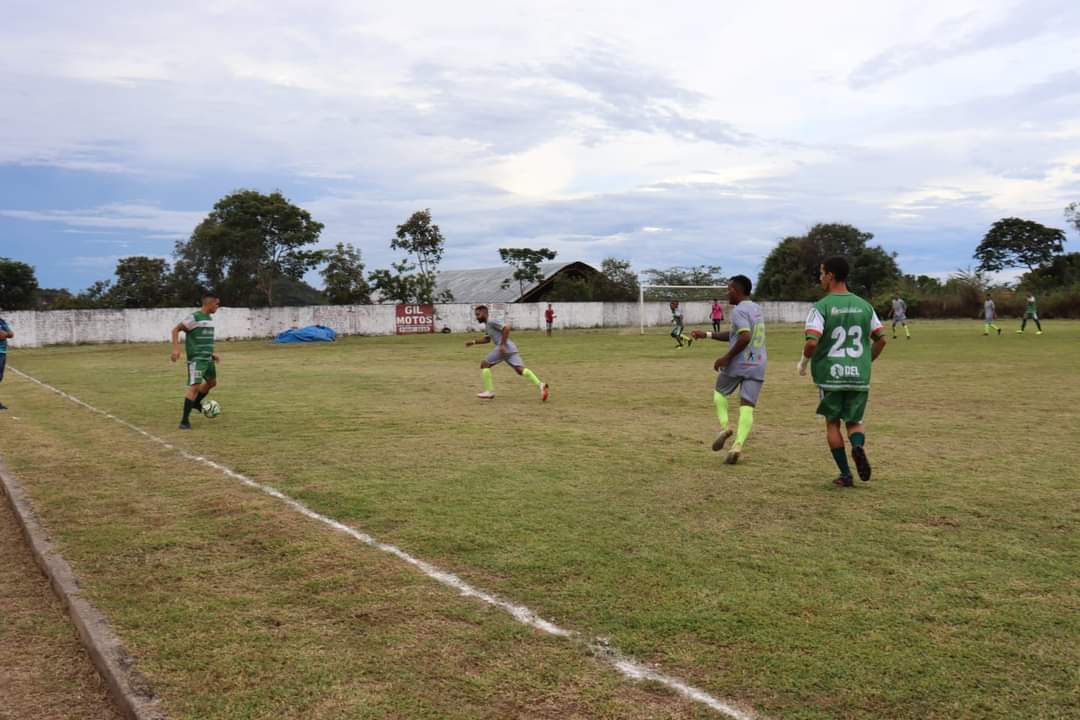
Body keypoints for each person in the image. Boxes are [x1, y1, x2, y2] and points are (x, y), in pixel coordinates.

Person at [798, 257, 887, 487]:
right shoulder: (865, 306)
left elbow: (811, 343)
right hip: (858, 375)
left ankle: (846, 474)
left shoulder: (821, 308)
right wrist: (866, 361)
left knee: (832, 423)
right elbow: (882, 339)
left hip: (831, 376)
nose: (820, 278)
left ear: (830, 275)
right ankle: (857, 445)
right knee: (855, 421)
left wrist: (803, 363)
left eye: (821, 273)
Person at [690, 276, 765, 465]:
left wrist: (726, 357)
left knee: (719, 393)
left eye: (728, 289)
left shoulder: (739, 311)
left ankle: (724, 427)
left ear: (736, 290)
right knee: (747, 406)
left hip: (739, 363)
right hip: (758, 364)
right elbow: (735, 335)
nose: (726, 292)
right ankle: (737, 446)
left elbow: (745, 337)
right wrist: (706, 334)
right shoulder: (755, 308)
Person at [466, 305, 548, 401]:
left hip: (503, 348)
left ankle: (489, 391)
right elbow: (487, 339)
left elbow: (507, 328)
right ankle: (540, 385)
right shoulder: (488, 325)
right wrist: (473, 342)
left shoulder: (492, 321)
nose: (476, 317)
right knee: (520, 370)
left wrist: (501, 345)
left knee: (484, 365)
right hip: (510, 348)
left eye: (478, 314)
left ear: (484, 313)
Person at [170, 292, 221, 429]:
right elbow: (176, 330)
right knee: (194, 387)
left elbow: (203, 339)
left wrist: (211, 354)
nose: (218, 306)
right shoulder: (194, 317)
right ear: (209, 303)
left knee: (211, 382)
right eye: (217, 303)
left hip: (207, 358)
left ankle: (196, 403)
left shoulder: (209, 318)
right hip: (197, 360)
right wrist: (176, 349)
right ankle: (184, 421)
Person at [0, 312, 13, 411]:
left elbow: (11, 334)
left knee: (0, 378)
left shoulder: (2, 321)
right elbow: (2, 335)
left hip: (3, 352)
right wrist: (5, 333)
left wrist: (6, 333)